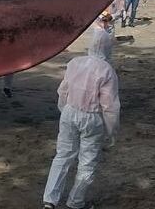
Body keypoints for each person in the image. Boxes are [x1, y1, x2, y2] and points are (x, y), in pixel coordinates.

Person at [42, 26, 120, 209]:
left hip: (70, 110)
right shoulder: (107, 70)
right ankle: (75, 202)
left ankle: (50, 200)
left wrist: (64, 110)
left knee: (62, 155)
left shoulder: (75, 62)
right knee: (87, 161)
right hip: (92, 117)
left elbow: (63, 90)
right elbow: (110, 106)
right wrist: (111, 130)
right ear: (108, 48)